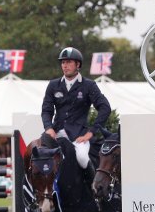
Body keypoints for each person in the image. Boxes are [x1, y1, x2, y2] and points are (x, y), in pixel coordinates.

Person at [41, 47, 111, 184]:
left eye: (68, 62)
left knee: (82, 158)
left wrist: (91, 132)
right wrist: (48, 127)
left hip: (78, 136)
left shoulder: (88, 85)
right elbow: (46, 110)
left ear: (78, 64)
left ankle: (93, 190)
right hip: (56, 133)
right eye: (62, 62)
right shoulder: (53, 85)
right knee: (39, 155)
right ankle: (39, 196)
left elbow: (105, 108)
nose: (64, 66)